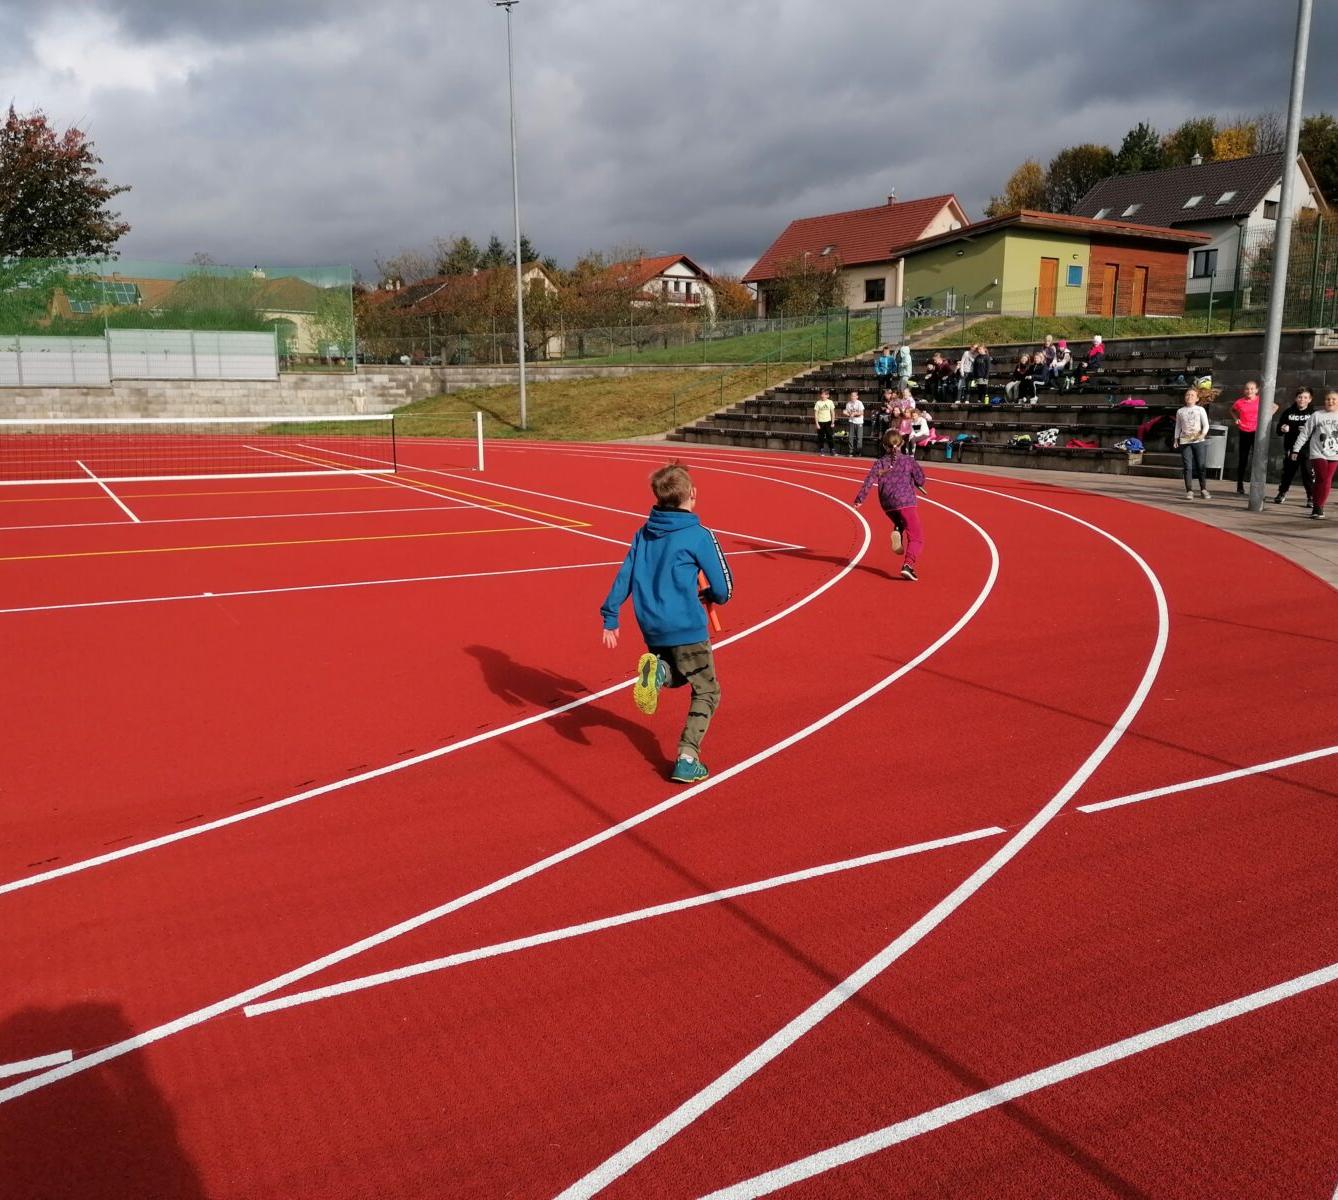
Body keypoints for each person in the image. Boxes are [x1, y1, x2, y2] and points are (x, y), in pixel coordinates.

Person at [600, 462, 733, 783]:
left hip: (652, 625)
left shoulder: (643, 533)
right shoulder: (699, 535)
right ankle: (688, 756)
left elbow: (625, 574)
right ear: (693, 494)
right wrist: (713, 595)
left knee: (679, 675)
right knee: (707, 690)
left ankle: (658, 670)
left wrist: (611, 614)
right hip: (686, 625)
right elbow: (723, 588)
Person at [853, 430, 927, 581]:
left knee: (900, 520)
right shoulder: (908, 460)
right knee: (916, 537)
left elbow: (868, 482)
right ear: (901, 443)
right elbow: (920, 479)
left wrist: (859, 500)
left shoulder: (879, 463)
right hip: (905, 501)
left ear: (884, 446)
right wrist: (915, 480)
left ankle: (898, 529)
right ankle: (908, 565)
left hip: (887, 503)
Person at [1273, 385, 1316, 507]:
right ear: (1296, 398)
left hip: (1308, 448)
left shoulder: (1313, 414)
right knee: (1288, 471)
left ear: (1310, 399)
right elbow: (1279, 429)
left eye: (1305, 397)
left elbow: (1319, 431)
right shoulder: (1288, 412)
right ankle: (1282, 493)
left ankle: (1311, 496)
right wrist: (1282, 428)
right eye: (1300, 397)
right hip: (1291, 447)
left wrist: (1309, 431)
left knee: (1308, 472)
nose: (1302, 400)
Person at [1174, 386, 1212, 500]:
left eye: (1192, 395)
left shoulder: (1200, 410)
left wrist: (1202, 435)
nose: (1189, 397)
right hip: (1185, 441)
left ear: (1197, 398)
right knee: (1187, 466)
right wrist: (1176, 439)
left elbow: (1206, 425)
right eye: (1187, 395)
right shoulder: (1180, 411)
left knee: (1201, 465)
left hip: (1198, 440)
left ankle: (1203, 488)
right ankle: (1189, 490)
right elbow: (1178, 426)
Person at [1306, 389, 1338, 520]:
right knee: (1322, 477)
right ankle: (1317, 506)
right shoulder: (1317, 415)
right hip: (1318, 451)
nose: (1330, 401)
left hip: (1334, 453)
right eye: (1328, 399)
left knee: (1327, 480)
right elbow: (1306, 432)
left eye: (1333, 399)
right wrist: (1296, 449)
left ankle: (1319, 506)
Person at [1231, 379, 1261, 494]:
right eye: (1247, 389)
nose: (1249, 391)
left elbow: (1275, 406)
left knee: (1257, 459)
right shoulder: (1240, 402)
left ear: (1257, 390)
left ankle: (1256, 486)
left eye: (1252, 388)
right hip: (1244, 431)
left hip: (1257, 432)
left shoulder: (1261, 400)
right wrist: (1236, 419)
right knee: (1243, 459)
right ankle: (1240, 484)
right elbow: (1232, 410)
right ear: (1244, 390)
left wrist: (1266, 419)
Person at [814, 388, 836, 456]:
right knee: (821, 437)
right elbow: (816, 413)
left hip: (828, 422)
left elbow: (833, 412)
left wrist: (832, 422)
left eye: (824, 394)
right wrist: (817, 423)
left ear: (827, 395)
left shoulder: (830, 402)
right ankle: (821, 450)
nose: (822, 395)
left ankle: (832, 450)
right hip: (820, 422)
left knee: (830, 437)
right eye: (822, 394)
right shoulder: (818, 403)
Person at [843, 389, 865, 457]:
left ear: (857, 397)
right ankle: (851, 452)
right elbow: (847, 412)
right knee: (850, 437)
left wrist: (855, 414)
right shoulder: (848, 404)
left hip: (859, 422)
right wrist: (845, 413)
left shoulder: (859, 403)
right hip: (851, 421)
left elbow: (862, 412)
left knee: (859, 438)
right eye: (852, 396)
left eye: (854, 396)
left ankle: (858, 452)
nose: (853, 397)